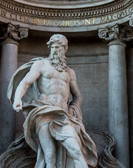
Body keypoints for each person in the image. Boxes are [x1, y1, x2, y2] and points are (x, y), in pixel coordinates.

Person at [9, 34, 97, 168]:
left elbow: (78, 95)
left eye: (58, 47)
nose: (55, 50)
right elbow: (25, 82)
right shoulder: (41, 64)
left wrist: (75, 107)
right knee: (49, 155)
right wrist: (17, 98)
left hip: (63, 115)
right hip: (44, 112)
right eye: (53, 47)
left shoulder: (69, 72)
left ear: (65, 49)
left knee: (76, 151)